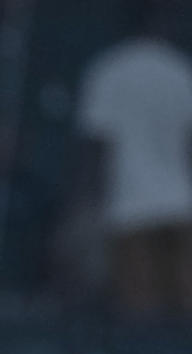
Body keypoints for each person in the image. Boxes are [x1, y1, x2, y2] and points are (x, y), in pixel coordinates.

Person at [66, 0, 192, 317]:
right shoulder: (180, 71)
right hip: (180, 206)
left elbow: (96, 148)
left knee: (141, 316)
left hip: (129, 210)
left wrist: (84, 207)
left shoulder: (108, 71)